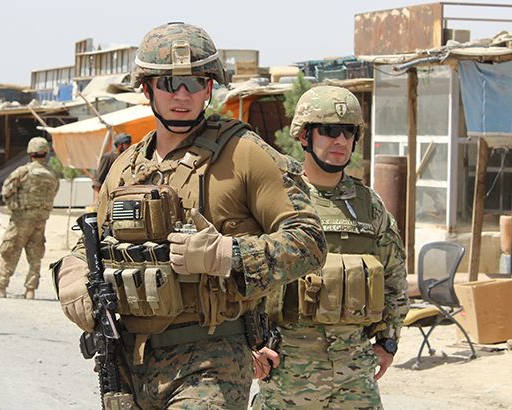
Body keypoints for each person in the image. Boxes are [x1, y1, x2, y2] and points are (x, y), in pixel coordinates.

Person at [53, 22, 327, 409]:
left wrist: (227, 255)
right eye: (169, 83)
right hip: (129, 362)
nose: (182, 95)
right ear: (146, 88)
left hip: (211, 361)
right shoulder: (125, 168)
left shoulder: (245, 153)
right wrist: (71, 273)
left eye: (195, 82)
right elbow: (93, 244)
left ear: (209, 88)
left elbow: (309, 241)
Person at [254, 86, 409, 409]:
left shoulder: (369, 205)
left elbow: (394, 278)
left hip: (355, 370)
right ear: (304, 136)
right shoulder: (275, 198)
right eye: (328, 130)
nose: (340, 140)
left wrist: (388, 342)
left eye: (348, 131)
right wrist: (251, 345)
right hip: (289, 368)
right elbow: (245, 277)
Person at [0, 137, 60, 300]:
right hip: (41, 219)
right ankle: (30, 290)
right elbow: (53, 193)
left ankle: (0, 286)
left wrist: (13, 205)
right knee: (35, 255)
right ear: (45, 153)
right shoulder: (52, 174)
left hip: (21, 219)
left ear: (30, 153)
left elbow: (6, 190)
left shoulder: (23, 171)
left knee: (9, 250)